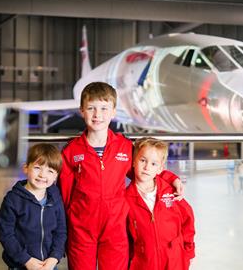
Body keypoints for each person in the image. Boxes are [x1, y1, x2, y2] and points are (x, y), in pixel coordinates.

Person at [58, 82, 183, 270]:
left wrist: (171, 178)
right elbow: (65, 195)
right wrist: (69, 226)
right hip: (81, 229)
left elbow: (143, 171)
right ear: (82, 111)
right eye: (91, 108)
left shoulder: (124, 147)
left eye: (104, 109)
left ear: (114, 112)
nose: (97, 115)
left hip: (115, 228)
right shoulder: (71, 151)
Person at [126, 137, 195, 270]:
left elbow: (188, 219)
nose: (146, 167)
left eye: (153, 164)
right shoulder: (126, 199)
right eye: (142, 160)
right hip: (144, 263)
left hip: (174, 260)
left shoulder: (171, 192)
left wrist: (188, 252)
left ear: (160, 169)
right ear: (134, 162)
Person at [0, 143, 67, 270]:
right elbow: (6, 234)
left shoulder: (55, 197)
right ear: (26, 168)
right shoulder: (13, 200)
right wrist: (26, 260)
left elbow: (60, 231)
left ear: (55, 176)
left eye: (50, 171)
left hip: (49, 264)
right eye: (38, 168)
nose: (42, 175)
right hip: (21, 264)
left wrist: (54, 257)